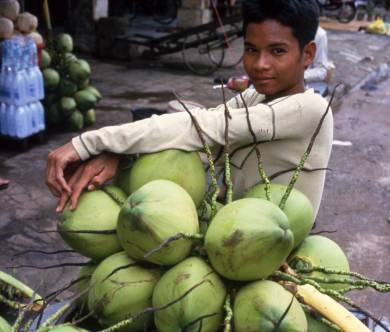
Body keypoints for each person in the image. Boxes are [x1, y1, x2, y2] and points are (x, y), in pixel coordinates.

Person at [46, 0, 333, 220]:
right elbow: (202, 147)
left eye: (277, 51)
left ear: (307, 54)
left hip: (275, 250)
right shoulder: (254, 96)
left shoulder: (312, 109)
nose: (260, 64)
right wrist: (120, 155)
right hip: (232, 230)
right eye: (251, 49)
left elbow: (206, 126)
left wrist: (90, 142)